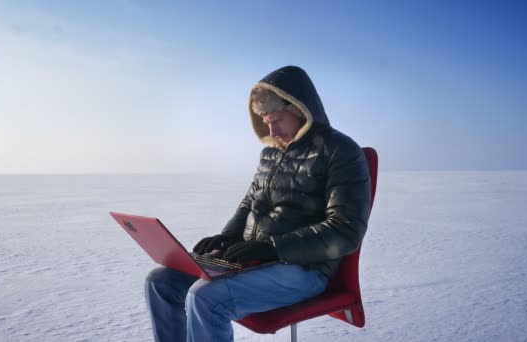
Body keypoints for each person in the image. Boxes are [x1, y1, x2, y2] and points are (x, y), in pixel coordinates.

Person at [145, 65, 372, 342]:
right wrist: (226, 238)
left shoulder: (340, 151)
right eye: (265, 120)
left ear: (301, 110)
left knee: (205, 298)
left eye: (277, 119)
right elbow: (249, 205)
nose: (271, 129)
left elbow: (344, 230)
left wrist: (273, 249)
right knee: (160, 281)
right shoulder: (270, 155)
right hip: (253, 262)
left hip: (305, 269)